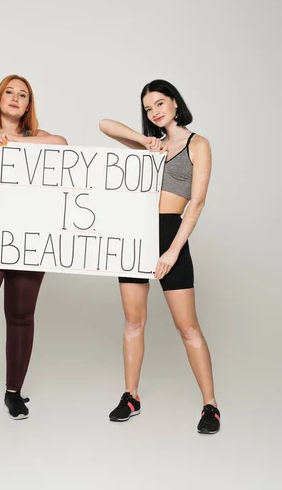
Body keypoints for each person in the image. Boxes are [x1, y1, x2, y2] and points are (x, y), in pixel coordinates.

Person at [99, 79, 220, 434]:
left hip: (170, 236)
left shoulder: (198, 144)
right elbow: (104, 125)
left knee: (187, 326)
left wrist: (173, 250)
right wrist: (143, 140)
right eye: (148, 107)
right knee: (133, 321)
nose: (154, 111)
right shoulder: (149, 145)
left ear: (175, 103)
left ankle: (210, 405)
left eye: (159, 103)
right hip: (135, 236)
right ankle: (131, 396)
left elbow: (196, 202)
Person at [0, 74, 67, 423]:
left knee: (21, 315)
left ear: (28, 105)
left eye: (23, 94)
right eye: (10, 92)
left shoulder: (39, 139)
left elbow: (63, 145)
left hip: (28, 234)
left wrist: (17, 143)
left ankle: (14, 393)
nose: (16, 98)